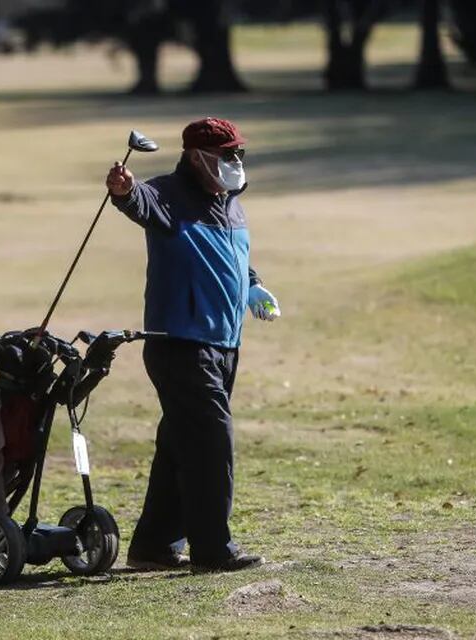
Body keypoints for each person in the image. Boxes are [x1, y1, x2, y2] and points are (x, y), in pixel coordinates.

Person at [106, 117, 280, 573]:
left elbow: (233, 258)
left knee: (180, 444)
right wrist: (125, 190)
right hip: (179, 343)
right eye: (227, 155)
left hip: (223, 344)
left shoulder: (231, 203)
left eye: (239, 153)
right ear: (197, 157)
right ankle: (213, 548)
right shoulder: (169, 194)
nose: (235, 162)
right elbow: (139, 201)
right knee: (209, 441)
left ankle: (155, 545)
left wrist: (253, 285)